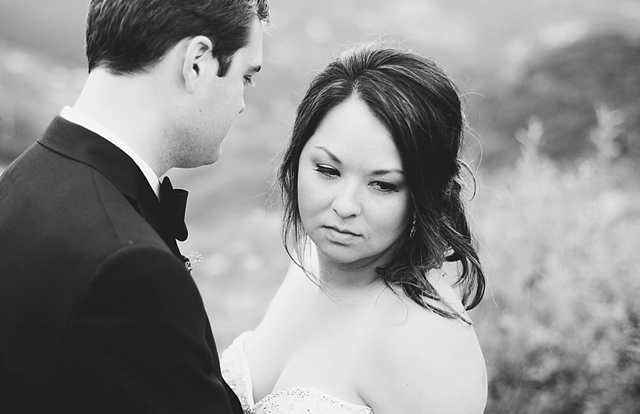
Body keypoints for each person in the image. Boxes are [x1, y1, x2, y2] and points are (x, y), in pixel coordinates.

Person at [0, 0, 269, 412]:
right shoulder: (131, 269)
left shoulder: (16, 183)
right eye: (246, 77)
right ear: (196, 62)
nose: (242, 103)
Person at [220, 43, 488, 413]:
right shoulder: (308, 261)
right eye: (328, 171)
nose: (344, 206)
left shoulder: (426, 340)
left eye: (383, 185)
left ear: (425, 195)